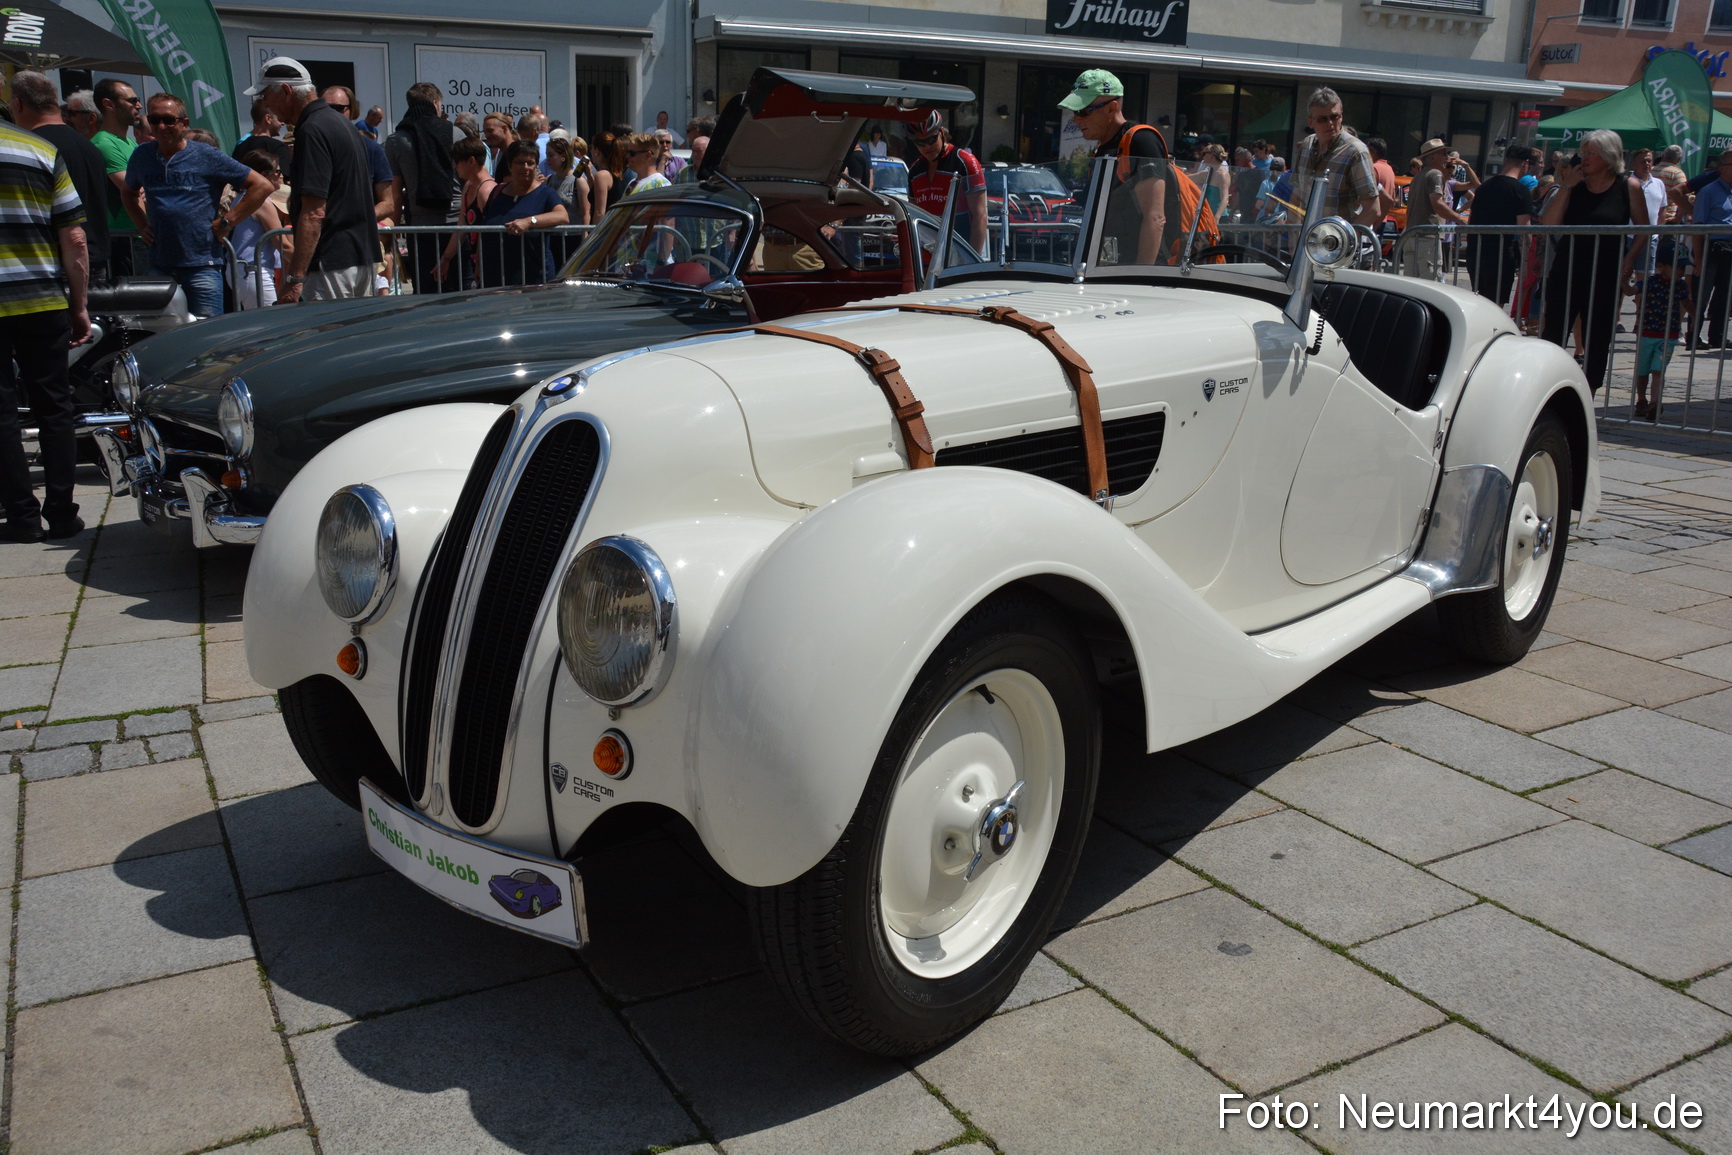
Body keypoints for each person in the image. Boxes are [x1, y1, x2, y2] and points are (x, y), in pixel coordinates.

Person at [0, 119, 90, 542]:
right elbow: (73, 237)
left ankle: (21, 516)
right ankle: (61, 512)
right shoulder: (38, 150)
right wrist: (80, 303)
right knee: (54, 406)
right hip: (41, 297)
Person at [123, 93, 271, 317]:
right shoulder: (141, 155)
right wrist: (142, 224)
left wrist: (228, 222)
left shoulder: (206, 155)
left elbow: (261, 185)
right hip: (160, 264)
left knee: (206, 337)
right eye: (154, 120)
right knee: (161, 335)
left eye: (169, 120)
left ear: (184, 123)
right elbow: (128, 192)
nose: (161, 126)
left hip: (202, 263)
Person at [250, 57, 378, 302]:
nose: (265, 104)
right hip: (360, 257)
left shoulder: (312, 129)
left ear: (286, 91)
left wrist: (295, 278)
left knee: (328, 339)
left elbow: (314, 211)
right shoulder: (340, 123)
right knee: (355, 339)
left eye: (265, 95)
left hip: (331, 264)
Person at [1541, 129, 1648, 391]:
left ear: (1609, 156)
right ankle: (1547, 385)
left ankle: (1590, 389)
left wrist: (1630, 258)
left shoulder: (1628, 186)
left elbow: (1644, 228)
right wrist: (1567, 186)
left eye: (1591, 153)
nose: (1584, 158)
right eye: (1584, 151)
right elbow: (1549, 223)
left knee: (1597, 335)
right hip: (1568, 268)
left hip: (1605, 271)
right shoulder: (1574, 185)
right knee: (1553, 331)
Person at [10, 73, 111, 283]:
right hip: (95, 260)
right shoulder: (89, 146)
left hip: (58, 264)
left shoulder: (33, 148)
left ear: (18, 104)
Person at [1060, 69, 1166, 264]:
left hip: (1139, 272)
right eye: (1075, 112)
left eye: (1083, 111)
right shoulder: (1103, 148)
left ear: (1111, 108)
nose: (1076, 119)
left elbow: (1155, 218)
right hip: (1106, 266)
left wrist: (1139, 276)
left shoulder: (1141, 141)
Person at [384, 81, 462, 295]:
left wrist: (390, 232)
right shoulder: (456, 134)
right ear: (436, 103)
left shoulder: (396, 140)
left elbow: (395, 193)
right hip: (457, 224)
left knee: (425, 292)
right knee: (459, 291)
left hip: (419, 226)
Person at [479, 140, 567, 286]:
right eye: (519, 163)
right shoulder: (497, 192)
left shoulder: (546, 193)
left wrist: (529, 221)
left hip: (534, 279)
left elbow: (562, 216)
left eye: (530, 163)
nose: (526, 167)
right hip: (495, 277)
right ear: (509, 165)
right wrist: (479, 267)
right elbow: (485, 226)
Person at [1290, 87, 1379, 226]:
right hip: (1304, 242)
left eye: (1334, 117)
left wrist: (1344, 240)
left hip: (1335, 242)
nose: (1330, 123)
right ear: (1311, 122)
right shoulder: (1306, 146)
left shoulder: (1356, 152)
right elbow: (1296, 197)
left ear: (1341, 117)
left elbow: (1373, 209)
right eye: (1322, 119)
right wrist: (1292, 240)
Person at [906, 110, 987, 255]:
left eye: (931, 139)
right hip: (927, 254)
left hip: (961, 252)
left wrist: (973, 259)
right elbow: (914, 217)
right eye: (920, 143)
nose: (927, 147)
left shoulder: (965, 162)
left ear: (942, 132)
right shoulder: (914, 171)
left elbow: (980, 216)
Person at [1631, 239, 1692, 421]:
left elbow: (1686, 302)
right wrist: (1623, 280)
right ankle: (1641, 400)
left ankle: (1655, 403)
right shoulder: (1650, 282)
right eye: (1678, 267)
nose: (1681, 272)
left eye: (1683, 268)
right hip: (1647, 333)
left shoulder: (1681, 285)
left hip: (1668, 335)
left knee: (1658, 370)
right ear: (1660, 266)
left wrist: (1696, 316)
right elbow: (1630, 291)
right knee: (1642, 372)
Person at [1464, 145, 1532, 307]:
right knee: (1496, 305)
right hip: (1500, 255)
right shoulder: (1520, 190)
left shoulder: (1483, 188)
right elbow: (1525, 229)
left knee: (1480, 301)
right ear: (1525, 164)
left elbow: (1472, 219)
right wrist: (1527, 260)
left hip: (1476, 252)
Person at [90, 78, 144, 276]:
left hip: (139, 237)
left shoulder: (129, 143)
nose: (138, 105)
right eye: (131, 100)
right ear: (108, 104)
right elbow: (134, 189)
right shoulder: (104, 144)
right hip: (126, 241)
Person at [230, 150, 292, 309]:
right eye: (277, 171)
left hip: (244, 271)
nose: (282, 175)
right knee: (271, 326)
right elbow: (282, 244)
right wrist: (310, 263)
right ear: (264, 175)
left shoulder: (243, 197)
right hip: (253, 272)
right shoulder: (262, 202)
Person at [1404, 139, 1468, 281]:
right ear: (1432, 157)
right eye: (1443, 153)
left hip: (1411, 235)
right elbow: (1437, 203)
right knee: (1431, 283)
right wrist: (1459, 220)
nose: (1447, 157)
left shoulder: (1417, 177)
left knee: (1411, 284)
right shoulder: (1435, 174)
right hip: (1427, 237)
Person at [437, 137, 495, 290]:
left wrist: (479, 268)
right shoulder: (469, 186)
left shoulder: (486, 191)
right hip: (477, 264)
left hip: (489, 266)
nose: (455, 167)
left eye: (457, 162)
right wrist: (445, 258)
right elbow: (461, 227)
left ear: (471, 161)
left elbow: (489, 235)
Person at [1690, 150, 1732, 349]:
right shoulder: (1708, 191)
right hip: (1710, 249)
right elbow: (1698, 227)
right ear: (1722, 168)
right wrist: (1698, 258)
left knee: (1725, 295)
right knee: (1701, 296)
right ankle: (1693, 336)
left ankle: (1718, 336)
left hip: (1729, 250)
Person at [234, 98, 290, 169]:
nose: (283, 122)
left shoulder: (240, 146)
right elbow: (283, 179)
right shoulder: (278, 148)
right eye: (279, 117)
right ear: (268, 119)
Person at [589, 132, 623, 219]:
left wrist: (595, 232)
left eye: (591, 147)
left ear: (597, 151)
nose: (591, 151)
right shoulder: (615, 173)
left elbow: (600, 212)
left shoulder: (602, 175)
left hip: (604, 230)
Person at [1366, 137, 1397, 219]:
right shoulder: (1389, 169)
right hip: (1384, 218)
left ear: (1373, 153)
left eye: (1366, 150)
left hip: (1371, 219)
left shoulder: (1372, 168)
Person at [482, 113, 513, 178]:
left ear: (504, 129)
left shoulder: (516, 154)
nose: (487, 135)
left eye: (490, 131)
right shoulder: (503, 155)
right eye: (485, 132)